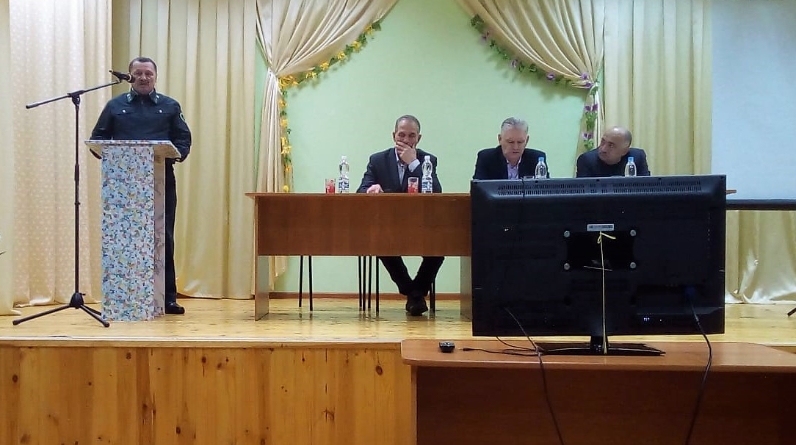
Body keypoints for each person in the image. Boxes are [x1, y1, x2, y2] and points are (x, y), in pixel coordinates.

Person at [90, 57, 192, 315]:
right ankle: (121, 297)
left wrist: (174, 154)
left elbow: (183, 139)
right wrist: (113, 155)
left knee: (163, 237)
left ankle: (167, 298)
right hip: (122, 184)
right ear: (130, 76)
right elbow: (98, 138)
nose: (144, 77)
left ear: (155, 77)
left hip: (161, 180)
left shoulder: (170, 106)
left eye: (148, 73)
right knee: (122, 238)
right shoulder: (115, 106)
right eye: (138, 73)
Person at [356, 115, 443, 316]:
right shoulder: (378, 160)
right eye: (401, 135)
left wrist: (414, 164)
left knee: (439, 249)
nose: (406, 140)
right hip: (388, 226)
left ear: (418, 138)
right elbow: (361, 190)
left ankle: (415, 292)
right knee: (381, 245)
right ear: (393, 135)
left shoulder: (427, 160)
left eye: (411, 136)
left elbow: (436, 192)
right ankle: (414, 294)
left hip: (420, 225)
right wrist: (371, 190)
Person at [473, 117, 548, 180]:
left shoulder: (537, 159)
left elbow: (546, 189)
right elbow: (477, 189)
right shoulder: (486, 158)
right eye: (510, 142)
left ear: (527, 140)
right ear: (500, 139)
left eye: (520, 142)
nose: (515, 147)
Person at [576, 126, 650, 177]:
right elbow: (583, 193)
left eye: (611, 145)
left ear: (624, 151)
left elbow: (647, 187)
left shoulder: (638, 157)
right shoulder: (586, 160)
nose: (603, 149)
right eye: (603, 141)